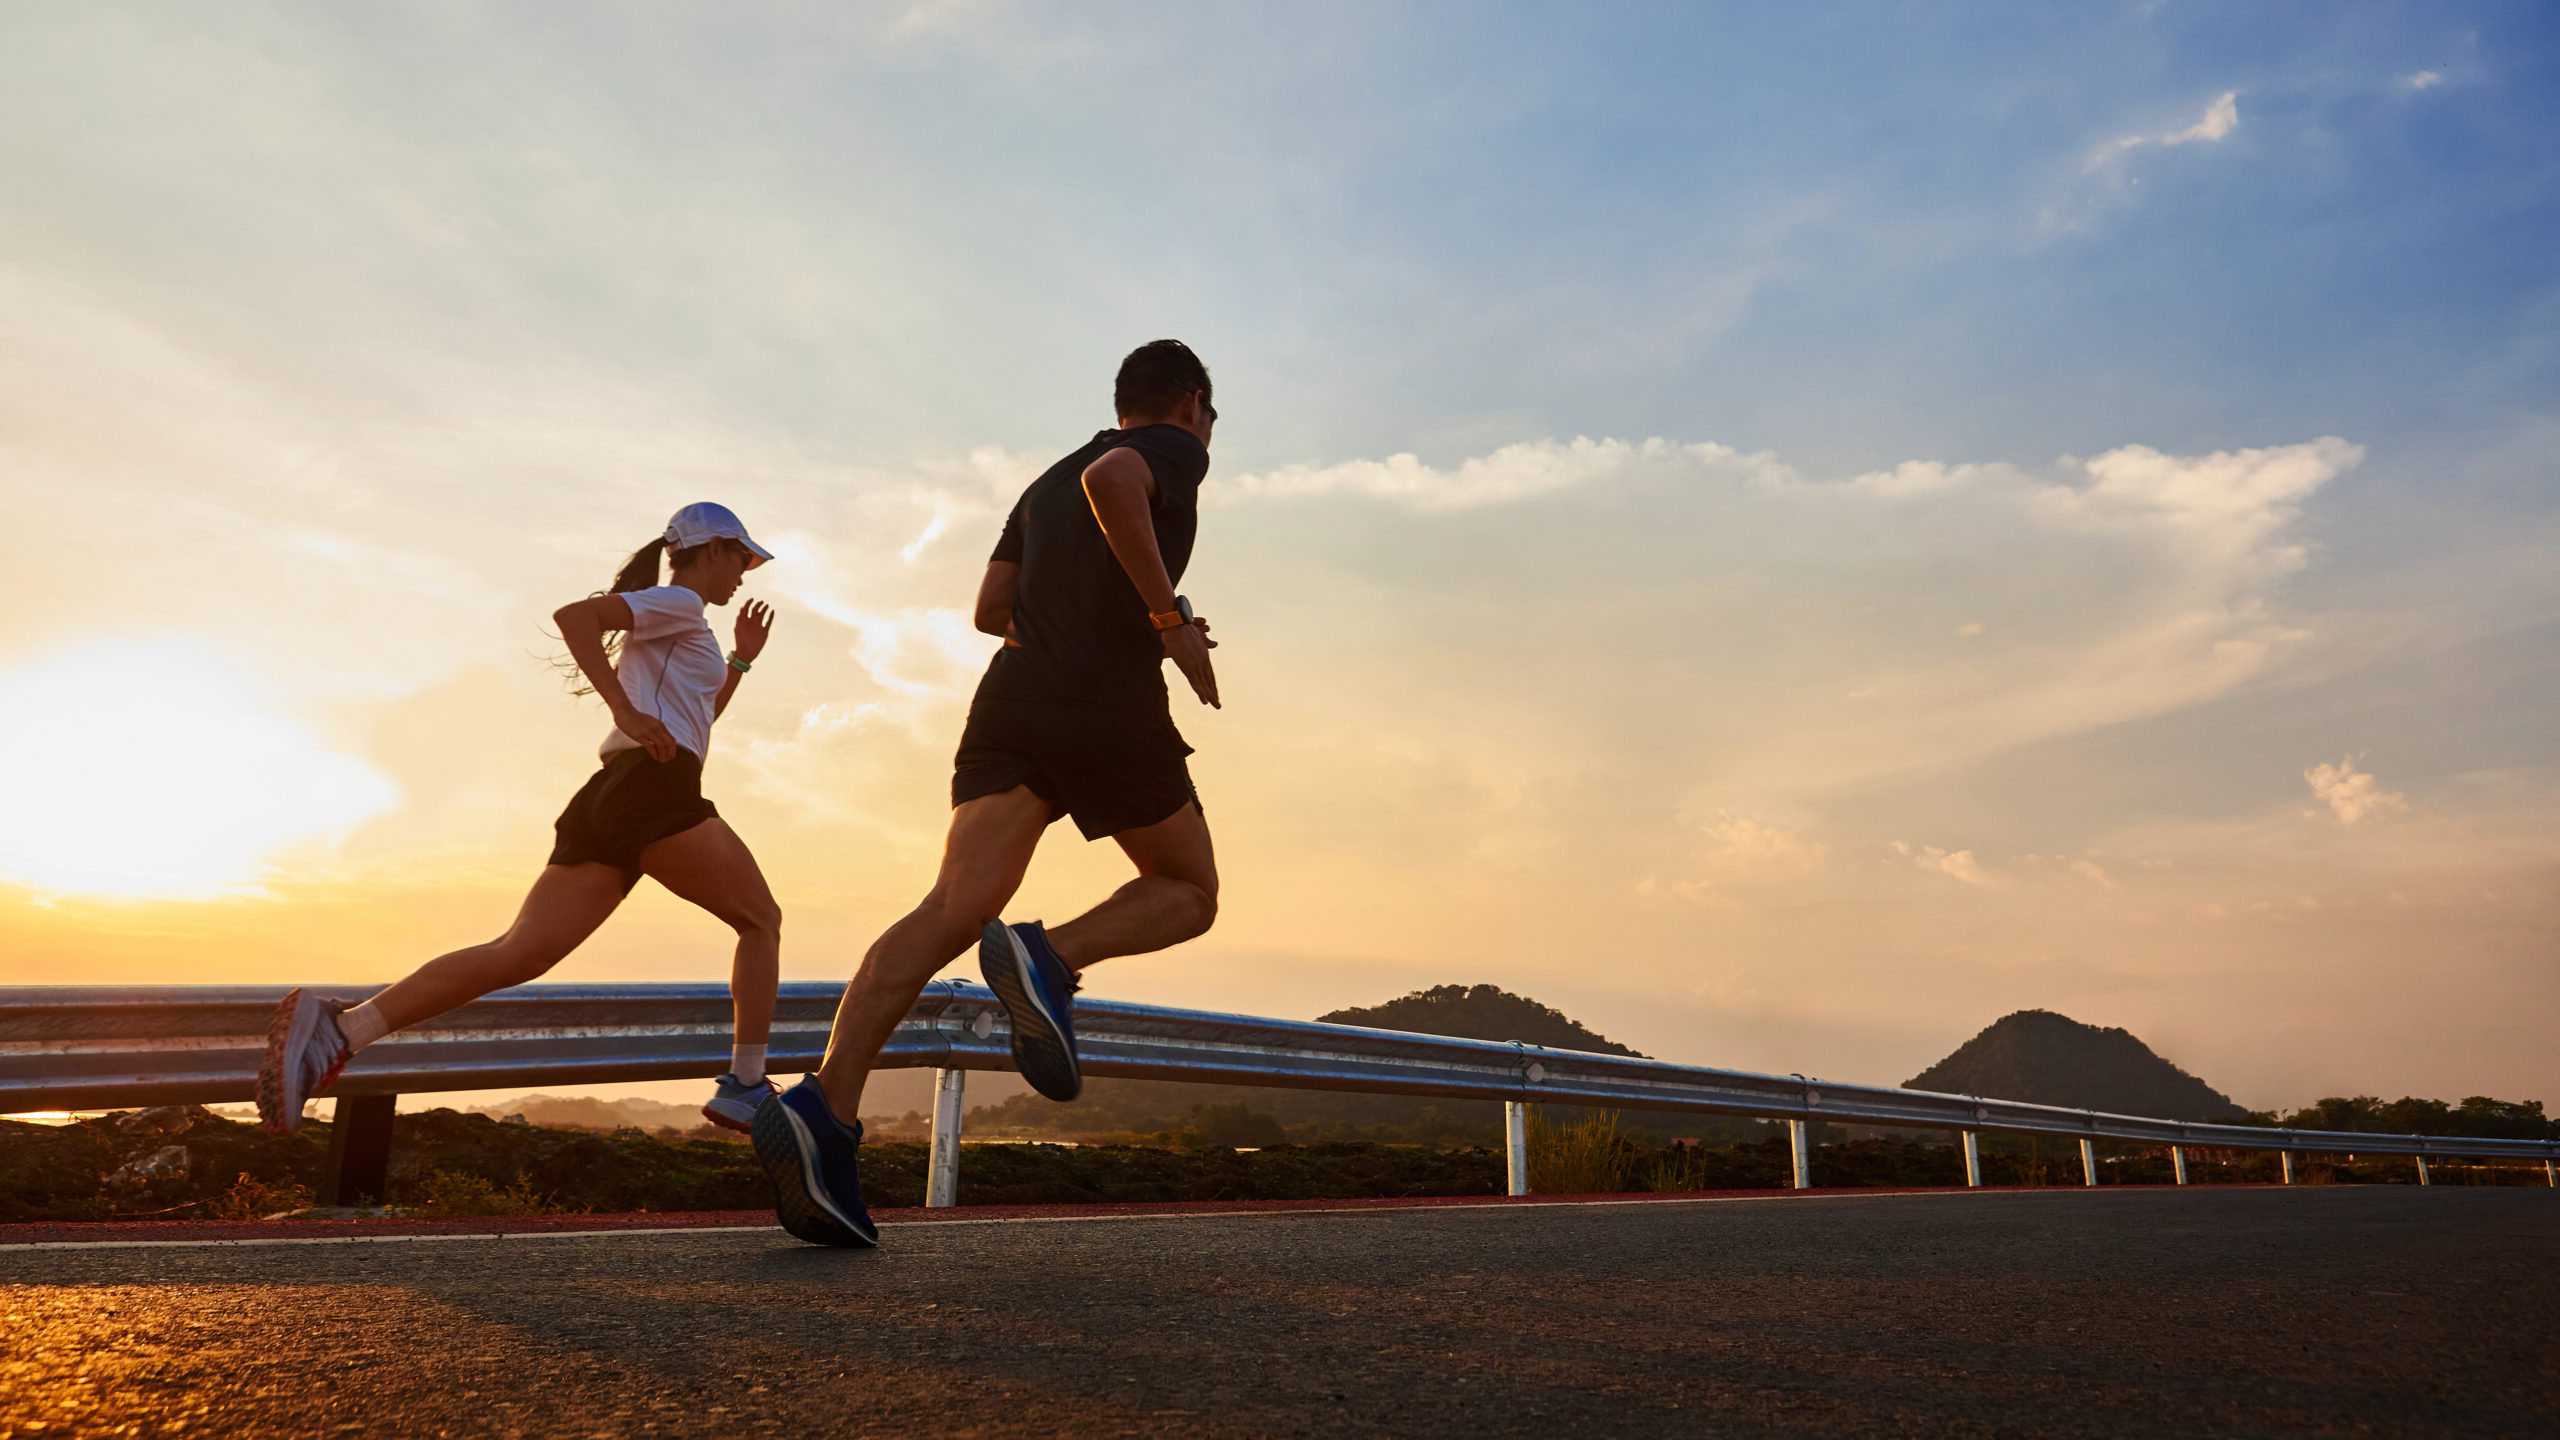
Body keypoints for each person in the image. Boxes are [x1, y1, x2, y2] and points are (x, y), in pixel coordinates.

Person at [753, 340, 1224, 1247]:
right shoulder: (1165, 449)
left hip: (1013, 700)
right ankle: (1052, 958)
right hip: (1107, 705)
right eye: (1208, 417)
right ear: (1191, 403)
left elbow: (990, 607)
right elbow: (1120, 483)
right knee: (1188, 891)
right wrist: (1166, 623)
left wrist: (1126, 607)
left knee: (952, 907)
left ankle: (826, 1104)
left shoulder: (1048, 478)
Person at [256, 503, 790, 1138]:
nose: (744, 575)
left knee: (519, 953)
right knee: (761, 920)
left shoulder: (682, 624)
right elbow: (576, 618)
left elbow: (696, 719)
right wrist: (624, 709)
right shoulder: (676, 604)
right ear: (714, 550)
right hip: (654, 792)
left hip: (612, 797)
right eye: (742, 559)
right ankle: (746, 1086)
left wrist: (740, 662)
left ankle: (345, 1029)